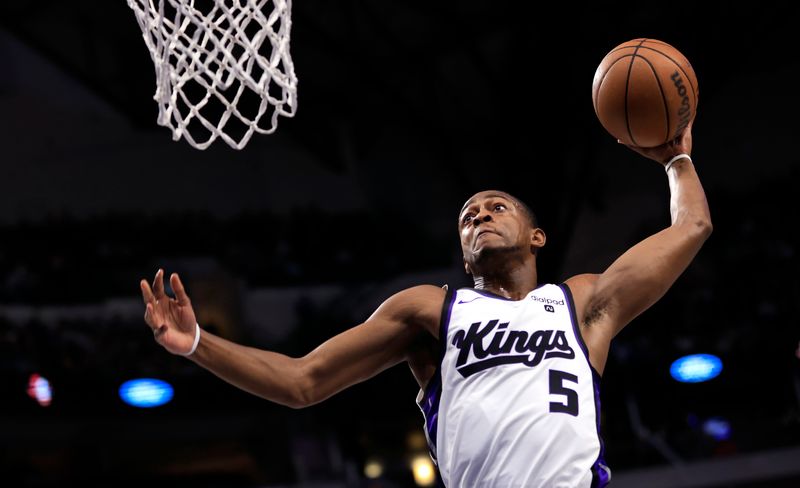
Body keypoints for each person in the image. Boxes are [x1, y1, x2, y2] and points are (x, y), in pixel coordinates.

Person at [141, 122, 711, 487]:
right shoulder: (431, 311)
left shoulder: (581, 303)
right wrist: (195, 343)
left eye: (495, 208)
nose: (480, 216)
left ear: (537, 238)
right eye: (468, 217)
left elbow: (691, 226)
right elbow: (303, 381)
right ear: (464, 254)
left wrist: (675, 160)